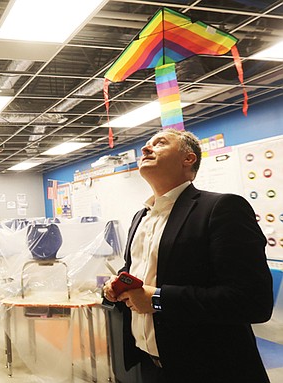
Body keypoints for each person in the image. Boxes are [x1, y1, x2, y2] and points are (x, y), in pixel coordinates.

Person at [103, 129, 273, 383]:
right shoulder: (141, 217)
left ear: (188, 159)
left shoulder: (222, 208)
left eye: (159, 144)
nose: (146, 149)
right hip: (150, 366)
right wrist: (117, 285)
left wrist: (158, 299)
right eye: (146, 145)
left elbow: (252, 301)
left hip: (210, 369)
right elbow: (137, 271)